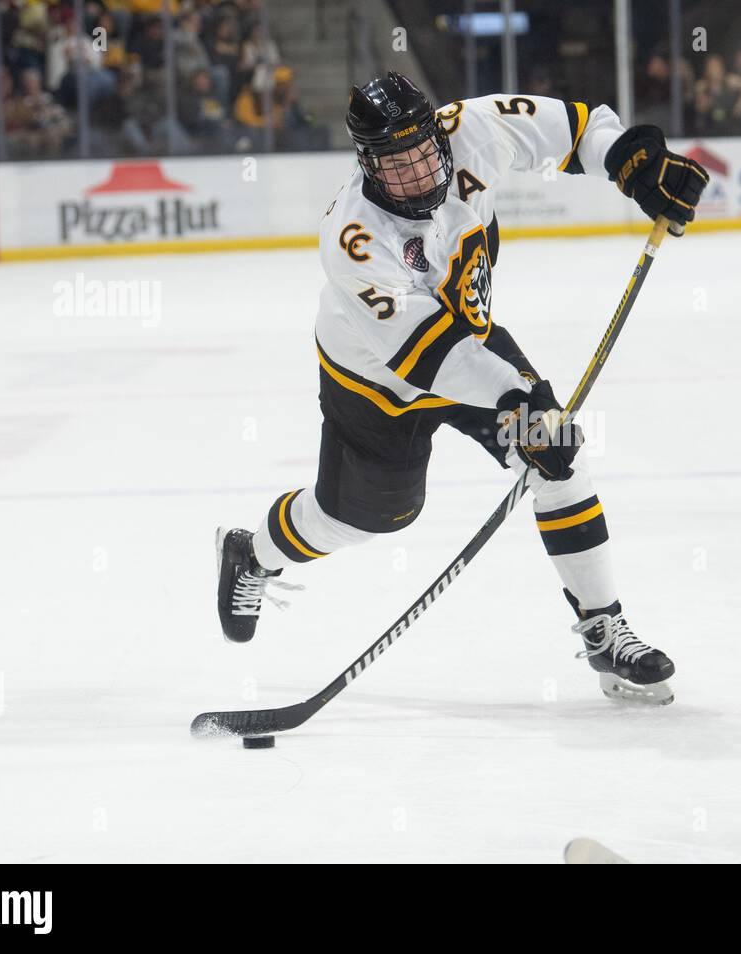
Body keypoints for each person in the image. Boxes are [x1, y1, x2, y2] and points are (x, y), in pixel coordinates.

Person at [214, 73, 707, 705]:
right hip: (374, 377)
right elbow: (427, 356)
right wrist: (518, 398)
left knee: (556, 458)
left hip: (468, 345)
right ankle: (252, 553)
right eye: (396, 165)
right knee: (365, 519)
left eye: (423, 152)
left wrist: (634, 164)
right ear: (367, 164)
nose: (418, 173)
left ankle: (605, 632)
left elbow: (578, 128)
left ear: (437, 135)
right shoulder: (353, 239)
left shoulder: (471, 128)